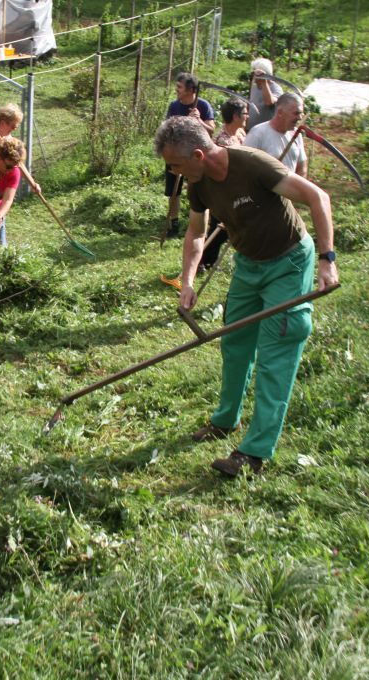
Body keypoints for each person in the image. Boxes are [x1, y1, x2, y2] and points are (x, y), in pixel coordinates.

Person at [154, 117, 339, 477]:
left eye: (174, 165)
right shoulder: (198, 181)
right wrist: (188, 281)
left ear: (197, 154)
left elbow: (318, 197)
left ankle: (254, 452)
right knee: (235, 342)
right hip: (249, 265)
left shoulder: (252, 164)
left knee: (276, 352)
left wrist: (327, 260)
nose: (173, 173)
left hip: (288, 262)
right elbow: (196, 231)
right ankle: (226, 419)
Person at [163, 73, 215, 238]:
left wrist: (198, 121)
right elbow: (168, 129)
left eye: (179, 87)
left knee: (200, 188)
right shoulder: (174, 106)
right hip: (177, 154)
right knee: (173, 190)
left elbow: (211, 130)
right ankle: (174, 222)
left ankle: (202, 224)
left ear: (191, 89)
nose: (176, 90)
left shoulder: (203, 106)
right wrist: (186, 120)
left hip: (196, 156)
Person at [200, 97, 249, 269]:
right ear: (235, 116)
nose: (247, 116)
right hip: (223, 189)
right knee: (219, 228)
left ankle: (208, 260)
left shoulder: (241, 134)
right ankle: (202, 260)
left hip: (237, 188)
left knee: (223, 229)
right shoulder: (223, 141)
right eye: (244, 113)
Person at [243, 93, 307, 177]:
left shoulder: (296, 134)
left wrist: (299, 188)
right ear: (280, 112)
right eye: (296, 113)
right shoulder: (258, 133)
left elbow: (302, 167)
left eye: (301, 113)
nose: (300, 117)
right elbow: (243, 166)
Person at [247, 57, 283, 131]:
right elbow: (250, 103)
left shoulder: (276, 89)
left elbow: (269, 102)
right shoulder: (254, 86)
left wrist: (264, 82)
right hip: (250, 130)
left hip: (265, 133)